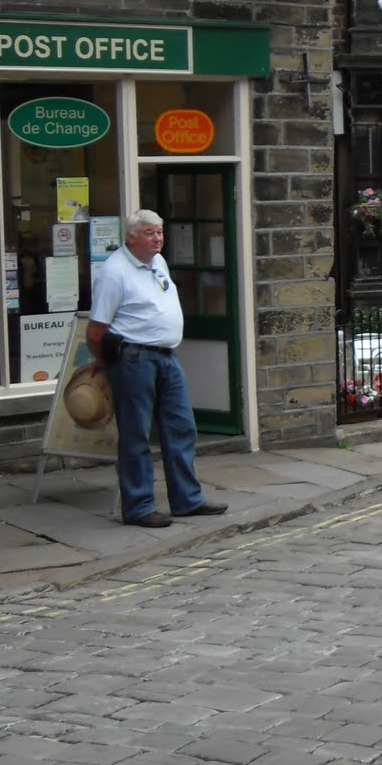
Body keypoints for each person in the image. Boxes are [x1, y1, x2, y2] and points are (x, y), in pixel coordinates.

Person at [86, 210, 225, 529]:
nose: (157, 238)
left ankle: (187, 500)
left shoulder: (157, 262)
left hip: (167, 356)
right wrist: (104, 360)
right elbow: (95, 332)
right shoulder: (114, 273)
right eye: (149, 233)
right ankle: (138, 506)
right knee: (136, 434)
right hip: (133, 358)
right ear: (131, 237)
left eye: (160, 232)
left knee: (181, 426)